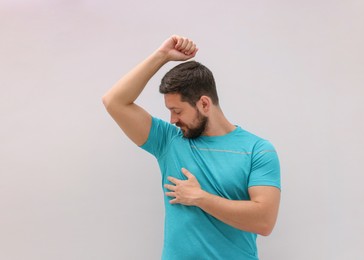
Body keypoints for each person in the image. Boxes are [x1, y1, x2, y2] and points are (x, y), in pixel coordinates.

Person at [102, 35, 281, 260]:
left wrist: (200, 198)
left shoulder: (258, 150)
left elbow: (264, 221)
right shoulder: (168, 141)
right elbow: (114, 101)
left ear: (204, 104)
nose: (172, 120)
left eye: (177, 111)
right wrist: (162, 56)